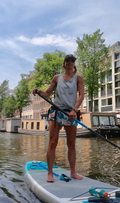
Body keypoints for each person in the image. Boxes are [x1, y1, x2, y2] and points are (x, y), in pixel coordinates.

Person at [33, 54, 84, 182]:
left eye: (72, 61)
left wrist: (75, 110)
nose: (70, 62)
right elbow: (47, 93)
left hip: (71, 113)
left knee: (71, 144)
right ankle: (50, 173)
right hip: (56, 112)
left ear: (74, 63)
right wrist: (39, 92)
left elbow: (81, 96)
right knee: (52, 142)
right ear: (64, 63)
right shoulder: (57, 78)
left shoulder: (79, 78)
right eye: (68, 60)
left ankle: (73, 172)